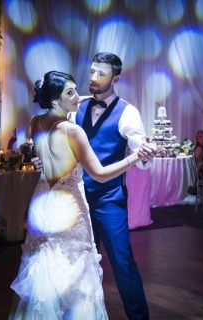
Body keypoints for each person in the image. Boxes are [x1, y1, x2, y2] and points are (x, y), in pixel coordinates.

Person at [9, 71, 156, 319]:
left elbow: (46, 152)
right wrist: (135, 157)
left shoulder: (35, 122)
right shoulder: (72, 130)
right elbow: (99, 174)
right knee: (76, 273)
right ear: (55, 100)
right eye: (71, 93)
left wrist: (79, 97)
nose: (78, 96)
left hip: (44, 201)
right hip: (69, 207)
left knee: (47, 266)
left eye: (76, 90)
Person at [74, 52, 153, 319]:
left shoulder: (128, 111)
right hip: (76, 198)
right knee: (78, 262)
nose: (93, 78)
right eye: (92, 72)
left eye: (101, 74)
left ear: (115, 79)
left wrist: (145, 153)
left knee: (122, 262)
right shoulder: (77, 107)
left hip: (109, 198)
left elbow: (140, 155)